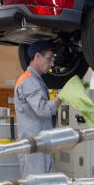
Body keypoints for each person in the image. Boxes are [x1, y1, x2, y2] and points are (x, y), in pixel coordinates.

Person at [14, 41, 61, 177]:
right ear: (37, 57)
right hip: (34, 147)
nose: (52, 63)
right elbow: (44, 110)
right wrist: (62, 97)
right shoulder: (29, 81)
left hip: (39, 144)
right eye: (49, 58)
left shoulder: (35, 80)